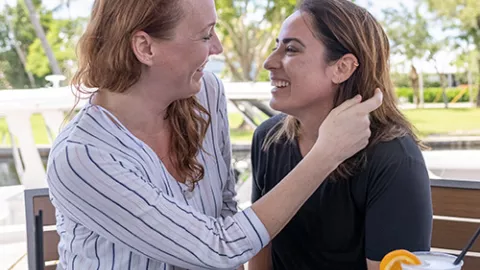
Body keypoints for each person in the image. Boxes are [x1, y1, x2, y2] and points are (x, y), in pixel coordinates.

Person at [46, 0, 382, 269]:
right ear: (145, 47)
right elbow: (219, 247)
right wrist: (326, 154)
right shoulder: (84, 157)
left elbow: (223, 206)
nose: (217, 47)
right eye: (206, 35)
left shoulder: (205, 94)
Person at [249, 0, 433, 270]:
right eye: (276, 46)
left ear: (342, 68)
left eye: (290, 49)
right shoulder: (269, 139)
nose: (269, 62)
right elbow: (259, 247)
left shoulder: (393, 158)